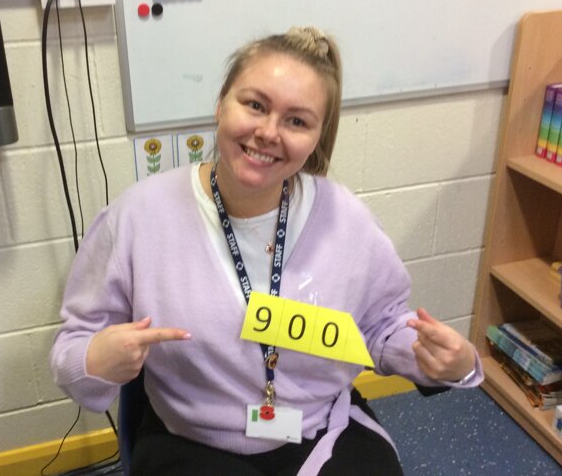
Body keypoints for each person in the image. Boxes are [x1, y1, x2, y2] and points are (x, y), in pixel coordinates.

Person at [50, 27, 482, 475]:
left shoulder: (345, 219)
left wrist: (450, 363)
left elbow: (381, 324)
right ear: (221, 105)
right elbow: (73, 345)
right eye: (255, 105)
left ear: (317, 137)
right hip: (193, 439)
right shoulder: (138, 217)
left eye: (297, 121)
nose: (268, 132)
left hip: (316, 428)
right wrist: (96, 360)